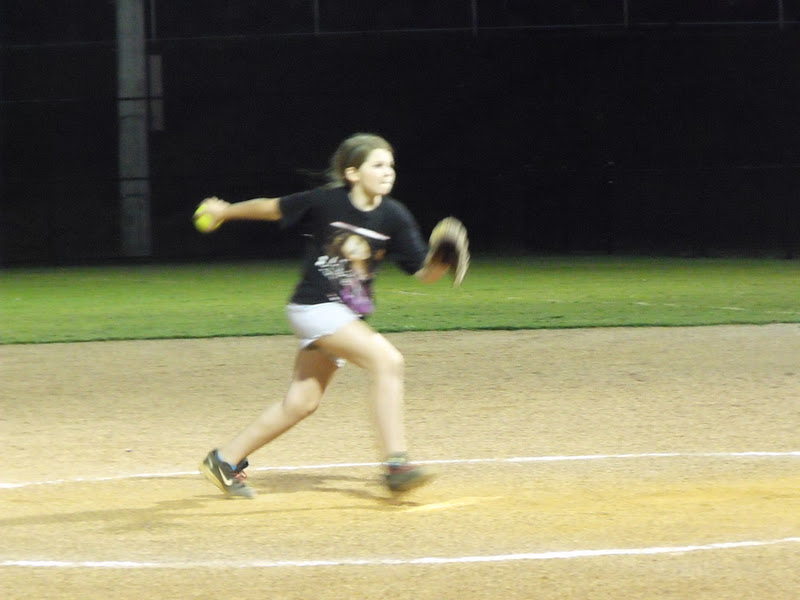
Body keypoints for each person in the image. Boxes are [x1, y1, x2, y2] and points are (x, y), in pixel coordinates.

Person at [196, 133, 452, 498]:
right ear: (353, 173)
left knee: (302, 402)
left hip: (344, 316)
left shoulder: (394, 216)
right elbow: (271, 207)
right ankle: (396, 464)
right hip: (315, 306)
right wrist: (225, 212)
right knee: (387, 361)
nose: (388, 172)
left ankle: (224, 459)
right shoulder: (327, 201)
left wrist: (442, 261)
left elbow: (425, 273)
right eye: (378, 165)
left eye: (391, 165)